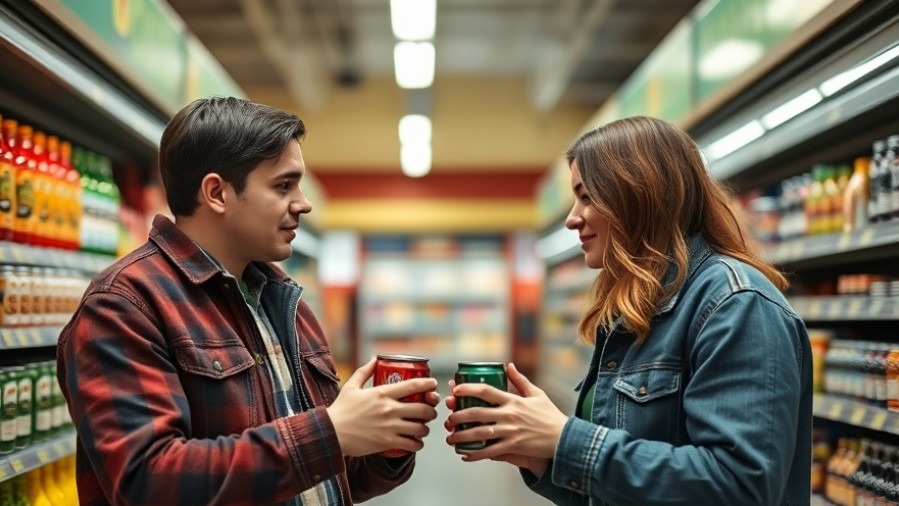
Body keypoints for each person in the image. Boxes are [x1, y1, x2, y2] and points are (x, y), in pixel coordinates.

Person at [57, 97, 440, 506]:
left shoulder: (284, 304)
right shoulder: (125, 306)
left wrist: (385, 440)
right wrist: (329, 432)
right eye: (283, 185)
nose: (303, 203)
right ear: (217, 193)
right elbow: (148, 482)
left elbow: (329, 477)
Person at [444, 116, 811, 505]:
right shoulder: (636, 310)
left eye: (586, 196)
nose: (572, 218)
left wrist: (565, 439)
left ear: (636, 193)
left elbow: (740, 488)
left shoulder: (736, 305)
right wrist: (544, 456)